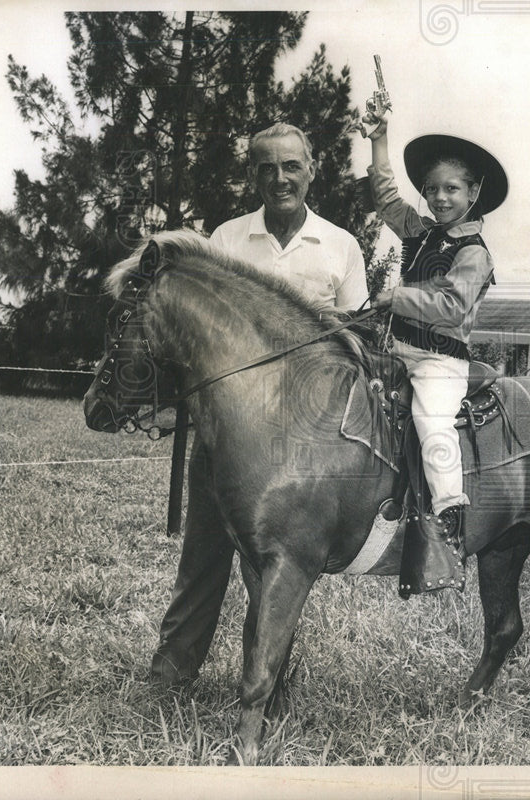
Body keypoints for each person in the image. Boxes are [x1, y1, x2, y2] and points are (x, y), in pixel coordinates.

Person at [150, 122, 369, 685]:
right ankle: (171, 675)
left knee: (276, 566)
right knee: (203, 556)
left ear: (312, 168)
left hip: (299, 444)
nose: (280, 178)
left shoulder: (341, 245)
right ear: (253, 175)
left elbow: (359, 344)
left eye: (291, 165)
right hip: (225, 434)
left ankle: (265, 685)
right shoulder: (225, 239)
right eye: (267, 167)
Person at [364, 110, 507, 594]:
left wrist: (395, 297)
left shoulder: (475, 252)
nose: (440, 198)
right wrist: (379, 141)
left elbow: (451, 305)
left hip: (439, 362)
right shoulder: (421, 232)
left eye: (451, 189)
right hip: (395, 350)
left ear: (473, 194)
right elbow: (386, 199)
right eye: (432, 189)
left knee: (431, 422)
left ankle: (448, 521)